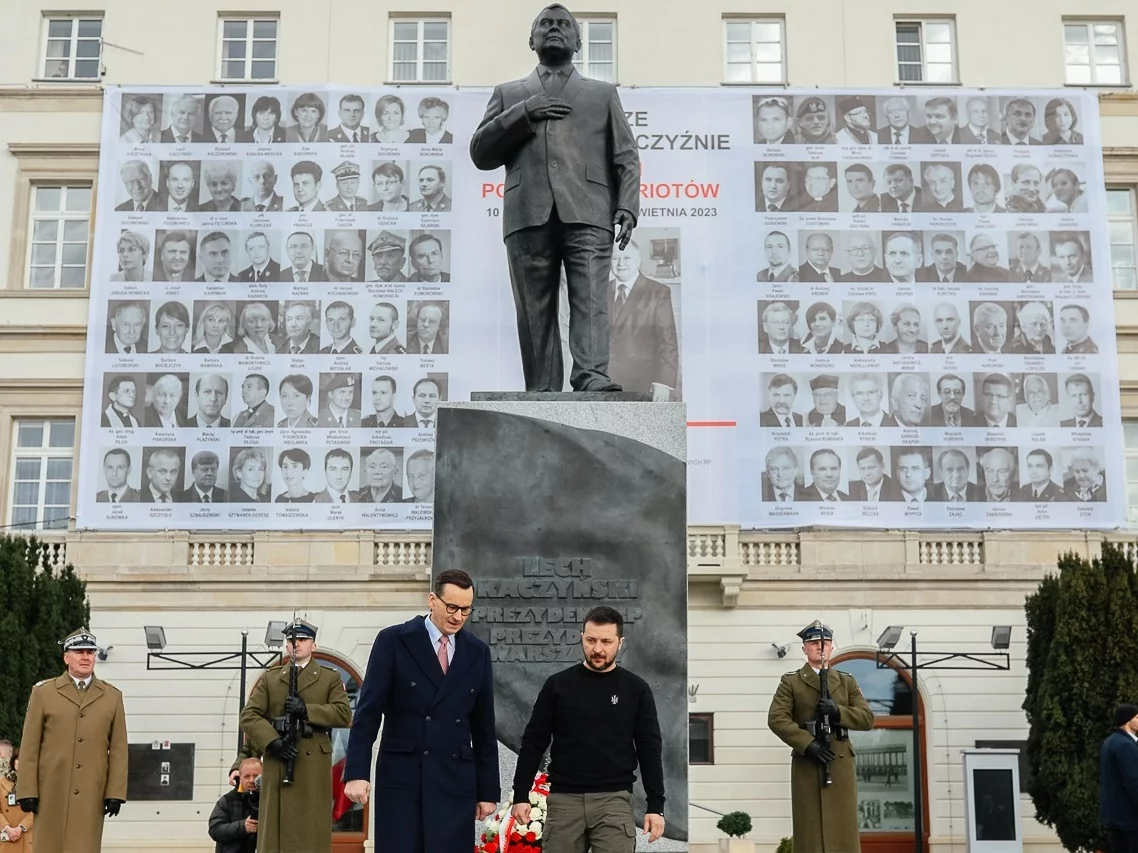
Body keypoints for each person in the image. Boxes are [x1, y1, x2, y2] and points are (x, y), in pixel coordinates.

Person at [470, 4, 639, 393]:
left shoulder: (602, 94)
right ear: (531, 40)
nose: (554, 28)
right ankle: (542, 387)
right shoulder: (509, 94)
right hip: (527, 213)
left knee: (591, 299)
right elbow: (480, 152)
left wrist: (627, 205)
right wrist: (523, 113)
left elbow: (626, 156)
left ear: (579, 42)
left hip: (589, 211)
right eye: (545, 23)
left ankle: (591, 376)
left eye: (564, 24)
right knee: (533, 308)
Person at [343, 569, 499, 853]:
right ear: (432, 600)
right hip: (403, 780)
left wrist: (488, 791)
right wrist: (356, 772)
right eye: (452, 607)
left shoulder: (477, 652)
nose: (458, 616)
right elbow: (368, 713)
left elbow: (484, 728)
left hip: (454, 782)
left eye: (466, 609)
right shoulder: (393, 640)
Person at [511, 605, 665, 851]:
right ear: (581, 637)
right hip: (564, 801)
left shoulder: (636, 689)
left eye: (606, 641)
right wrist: (521, 794)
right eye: (591, 640)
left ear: (620, 643)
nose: (598, 649)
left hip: (614, 801)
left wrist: (656, 806)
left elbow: (649, 749)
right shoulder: (558, 685)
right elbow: (533, 742)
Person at [239, 619, 351, 853]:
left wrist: (307, 710)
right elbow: (249, 716)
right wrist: (273, 741)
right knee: (276, 830)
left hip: (312, 762)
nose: (296, 644)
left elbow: (343, 714)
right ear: (286, 646)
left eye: (302, 639)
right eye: (291, 640)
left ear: (313, 645)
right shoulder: (271, 678)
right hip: (279, 759)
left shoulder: (328, 678)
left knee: (310, 825)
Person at [17, 628, 128, 853]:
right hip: (51, 789)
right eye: (79, 652)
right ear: (66, 657)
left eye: (90, 652)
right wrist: (27, 790)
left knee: (84, 846)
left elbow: (118, 750)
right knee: (48, 846)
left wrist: (115, 793)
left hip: (91, 791)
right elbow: (29, 746)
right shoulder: (43, 693)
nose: (86, 657)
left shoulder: (112, 696)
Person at [767, 621, 874, 853]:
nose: (820, 647)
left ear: (831, 647)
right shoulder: (791, 682)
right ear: (804, 648)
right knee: (810, 827)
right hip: (809, 761)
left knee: (843, 826)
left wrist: (838, 712)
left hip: (840, 760)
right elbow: (777, 719)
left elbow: (867, 718)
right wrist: (809, 744)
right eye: (814, 643)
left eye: (824, 643)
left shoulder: (846, 681)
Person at [1099, 703, 1138, 853]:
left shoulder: (1110, 741)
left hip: (1116, 816)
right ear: (1128, 720)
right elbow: (1133, 782)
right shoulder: (1125, 745)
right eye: (1137, 717)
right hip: (1129, 818)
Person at [208, 757, 261, 853]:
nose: (251, 780)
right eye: (247, 776)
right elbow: (215, 830)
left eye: (256, 776)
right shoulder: (227, 800)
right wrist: (243, 827)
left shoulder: (271, 801)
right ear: (240, 778)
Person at [0, 744, 33, 852]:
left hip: (27, 834)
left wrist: (21, 827)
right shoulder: (2, 782)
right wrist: (7, 828)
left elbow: (39, 808)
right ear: (13, 761)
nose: (20, 762)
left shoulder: (35, 783)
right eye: (18, 759)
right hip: (7, 835)